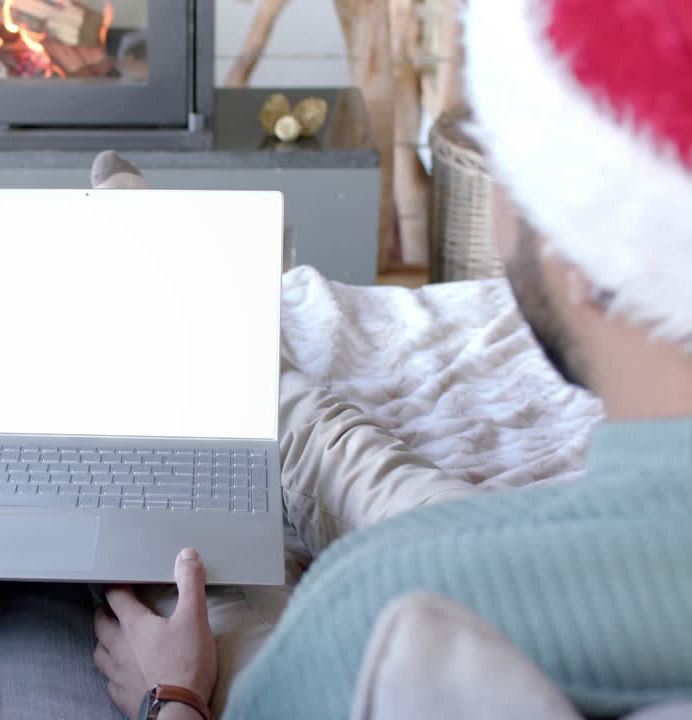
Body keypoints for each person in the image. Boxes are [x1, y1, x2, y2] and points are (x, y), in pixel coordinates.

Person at [92, 0, 692, 718]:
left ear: (591, 252)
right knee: (371, 475)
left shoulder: (379, 621)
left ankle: (209, 326)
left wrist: (176, 697)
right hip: (555, 551)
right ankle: (246, 359)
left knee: (199, 582)